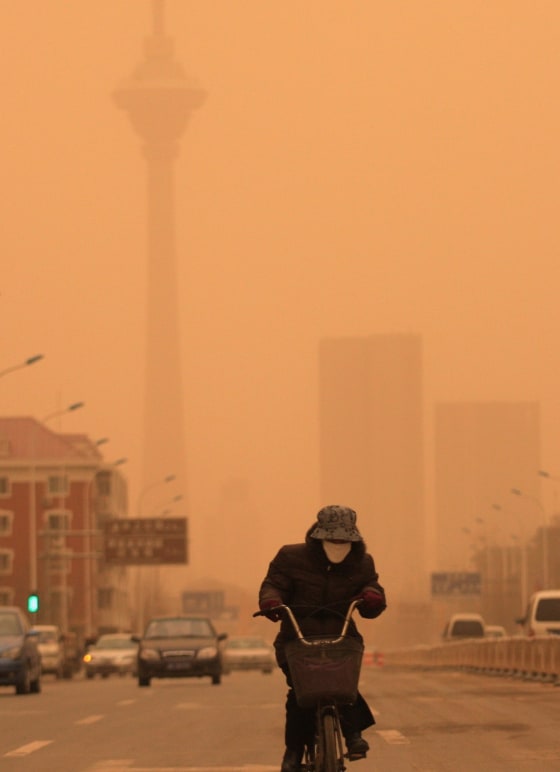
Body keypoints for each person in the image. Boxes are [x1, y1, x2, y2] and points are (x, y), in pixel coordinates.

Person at [258, 504, 387, 772]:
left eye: (344, 540)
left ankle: (353, 736)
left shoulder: (362, 562)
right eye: (333, 539)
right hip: (297, 638)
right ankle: (293, 752)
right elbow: (274, 584)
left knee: (343, 685)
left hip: (340, 637)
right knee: (301, 694)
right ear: (318, 536)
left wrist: (372, 596)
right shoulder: (290, 557)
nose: (339, 544)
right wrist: (271, 600)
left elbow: (371, 586)